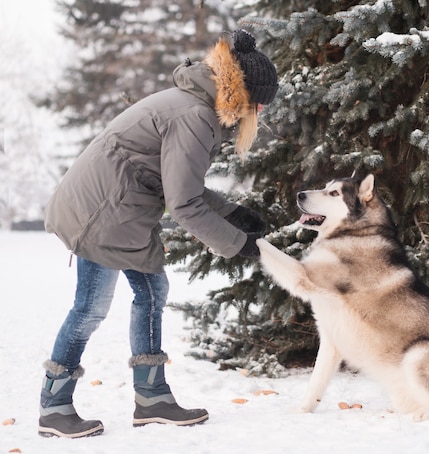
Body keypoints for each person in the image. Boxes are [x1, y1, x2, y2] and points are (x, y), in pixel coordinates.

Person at [39, 29, 278, 438]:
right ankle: (54, 407)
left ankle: (152, 398)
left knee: (152, 293)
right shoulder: (195, 115)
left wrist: (233, 212)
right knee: (91, 307)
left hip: (124, 207)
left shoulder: (196, 105)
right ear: (245, 94)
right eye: (260, 102)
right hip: (103, 213)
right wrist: (240, 244)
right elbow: (184, 204)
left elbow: (179, 184)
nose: (259, 110)